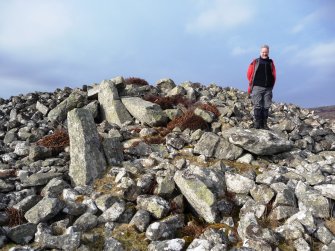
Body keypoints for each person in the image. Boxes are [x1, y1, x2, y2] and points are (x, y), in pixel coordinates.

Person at [247, 45, 276, 129]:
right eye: (263, 52)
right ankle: (257, 124)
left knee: (266, 106)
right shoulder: (255, 62)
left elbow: (273, 74)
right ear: (260, 52)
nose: (264, 54)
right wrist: (253, 83)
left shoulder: (271, 62)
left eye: (266, 52)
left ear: (268, 52)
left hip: (268, 88)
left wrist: (271, 84)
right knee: (257, 105)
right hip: (257, 87)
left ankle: (264, 124)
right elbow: (249, 74)